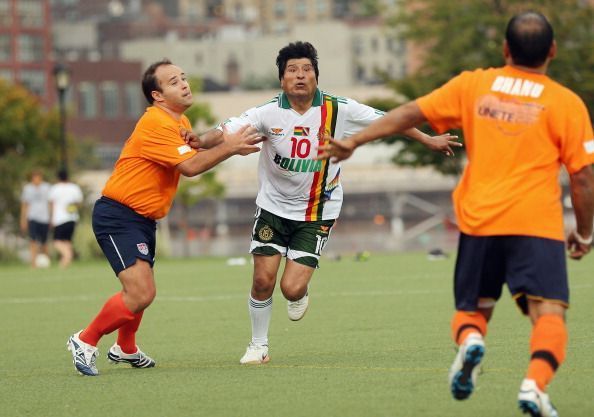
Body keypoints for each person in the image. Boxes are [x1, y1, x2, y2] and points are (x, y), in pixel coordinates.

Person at [318, 12, 594, 417]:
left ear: (504, 50)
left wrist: (355, 140)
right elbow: (584, 178)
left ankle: (469, 344)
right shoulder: (566, 103)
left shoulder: (474, 84)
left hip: (480, 221)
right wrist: (585, 234)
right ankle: (534, 386)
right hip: (536, 224)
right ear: (552, 51)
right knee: (547, 313)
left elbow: (410, 113)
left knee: (473, 311)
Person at [185, 41, 459, 365]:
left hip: (318, 211)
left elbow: (390, 120)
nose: (300, 76)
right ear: (282, 79)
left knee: (290, 288)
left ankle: (300, 292)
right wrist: (200, 141)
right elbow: (224, 130)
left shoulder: (339, 109)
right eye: (292, 70)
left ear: (316, 75)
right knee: (262, 280)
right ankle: (258, 346)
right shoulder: (266, 113)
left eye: (306, 69)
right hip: (273, 208)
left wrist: (428, 139)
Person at [66, 59, 262, 376]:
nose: (184, 83)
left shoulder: (176, 120)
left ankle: (125, 348)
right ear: (157, 95)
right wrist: (230, 146)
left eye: (183, 78)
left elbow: (191, 152)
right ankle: (85, 340)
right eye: (174, 81)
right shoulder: (156, 123)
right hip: (118, 215)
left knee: (142, 292)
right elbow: (191, 167)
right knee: (141, 293)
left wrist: (210, 140)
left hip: (140, 218)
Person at [48, 169, 84, 268]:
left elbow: (51, 204)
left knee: (56, 241)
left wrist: (51, 218)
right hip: (72, 218)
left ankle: (67, 256)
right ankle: (66, 264)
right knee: (67, 240)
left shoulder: (55, 188)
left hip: (59, 219)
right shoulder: (74, 188)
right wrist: (72, 208)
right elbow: (79, 203)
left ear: (58, 177)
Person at [20, 169, 51, 268]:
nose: (36, 180)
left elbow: (50, 203)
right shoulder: (27, 188)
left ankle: (46, 261)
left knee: (44, 242)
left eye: (38, 178)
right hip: (32, 217)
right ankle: (33, 263)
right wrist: (23, 220)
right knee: (33, 241)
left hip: (45, 218)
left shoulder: (47, 187)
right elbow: (25, 205)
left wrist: (51, 217)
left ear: (41, 178)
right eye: (34, 178)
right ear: (32, 179)